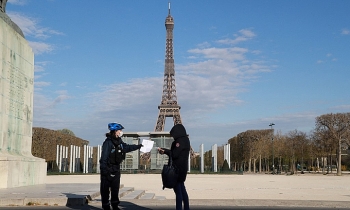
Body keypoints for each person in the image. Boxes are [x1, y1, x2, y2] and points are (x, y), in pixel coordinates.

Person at [100, 122, 143, 210]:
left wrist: (139, 146)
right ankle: (106, 206)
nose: (121, 132)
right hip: (108, 169)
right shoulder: (108, 143)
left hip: (116, 168)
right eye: (120, 130)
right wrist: (104, 171)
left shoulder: (119, 142)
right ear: (115, 131)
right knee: (105, 190)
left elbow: (127, 147)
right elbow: (104, 158)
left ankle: (115, 205)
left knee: (115, 189)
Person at [158, 124, 190, 210]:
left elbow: (174, 154)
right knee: (183, 191)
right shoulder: (186, 140)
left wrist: (164, 151)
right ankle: (186, 208)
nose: (173, 137)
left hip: (176, 170)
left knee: (178, 192)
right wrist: (165, 151)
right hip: (183, 170)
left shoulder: (179, 142)